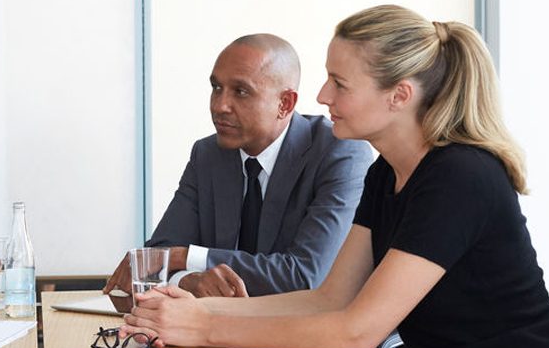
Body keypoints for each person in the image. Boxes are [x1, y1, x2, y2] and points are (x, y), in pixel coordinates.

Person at [122, 5, 549, 348]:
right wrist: (195, 309)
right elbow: (329, 299)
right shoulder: (387, 172)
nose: (322, 96)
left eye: (339, 83)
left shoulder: (460, 177)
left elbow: (356, 333)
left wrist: (205, 328)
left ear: (399, 95)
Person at [104, 34, 373, 306]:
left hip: (304, 327)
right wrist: (189, 280)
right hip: (217, 325)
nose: (219, 106)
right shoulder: (207, 154)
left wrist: (186, 257)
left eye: (241, 92)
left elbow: (304, 276)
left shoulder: (340, 153)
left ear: (285, 104)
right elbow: (156, 255)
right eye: (216, 87)